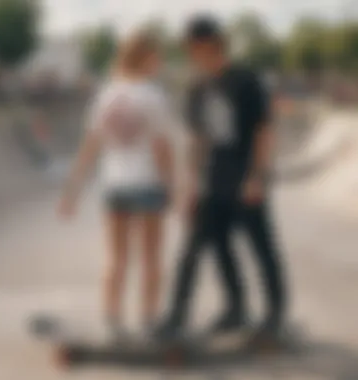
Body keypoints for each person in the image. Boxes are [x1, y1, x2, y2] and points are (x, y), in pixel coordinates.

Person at [157, 16, 286, 339]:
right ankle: (190, 314)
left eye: (192, 48)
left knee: (260, 247)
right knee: (201, 248)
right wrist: (190, 185)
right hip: (212, 180)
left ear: (209, 44)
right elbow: (198, 141)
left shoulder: (246, 81)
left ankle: (274, 314)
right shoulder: (197, 87)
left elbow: (264, 130)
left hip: (245, 177)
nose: (189, 55)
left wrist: (257, 177)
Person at [58, 30, 174, 338]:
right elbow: (163, 148)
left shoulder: (105, 96)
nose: (160, 62)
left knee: (116, 258)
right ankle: (149, 320)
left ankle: (112, 319)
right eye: (157, 56)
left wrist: (71, 192)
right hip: (148, 184)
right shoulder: (154, 95)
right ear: (146, 58)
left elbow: (89, 148)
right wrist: (172, 185)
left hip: (115, 186)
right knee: (151, 257)